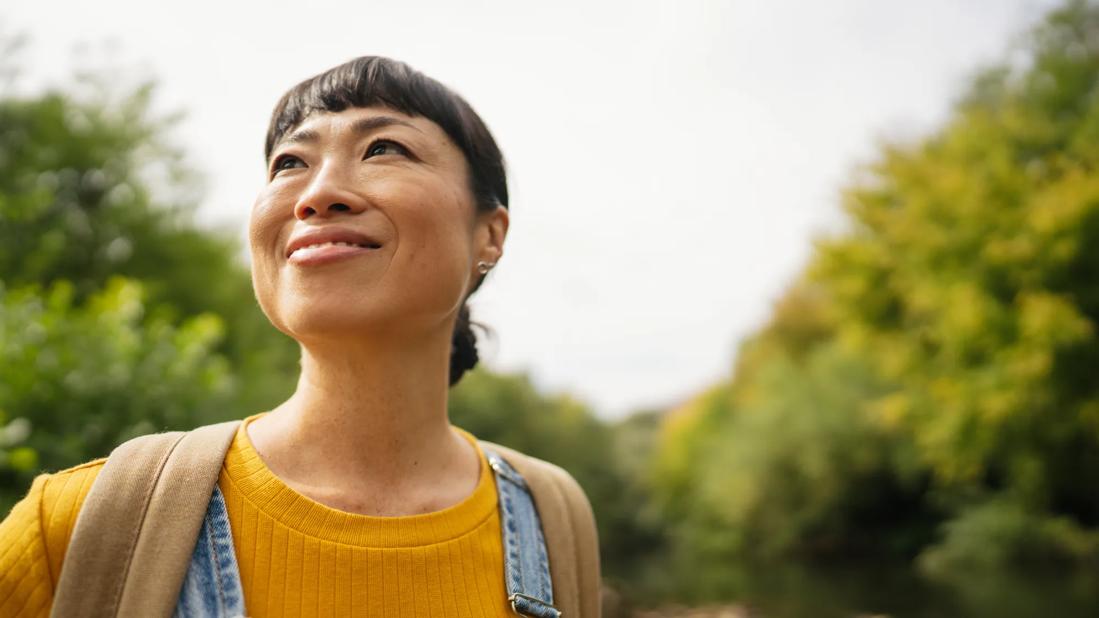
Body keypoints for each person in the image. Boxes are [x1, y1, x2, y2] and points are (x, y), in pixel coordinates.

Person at [0, 56, 601, 617]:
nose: (316, 195)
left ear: (489, 235)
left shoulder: (553, 518)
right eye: (290, 163)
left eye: (383, 148)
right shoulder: (79, 524)